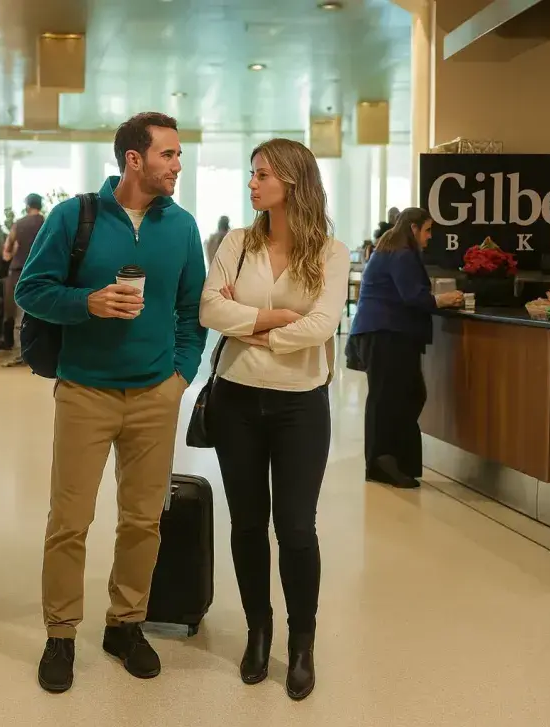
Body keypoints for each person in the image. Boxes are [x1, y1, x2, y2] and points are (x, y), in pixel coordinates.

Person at [15, 111, 207, 694]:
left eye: (178, 155)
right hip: (85, 392)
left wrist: (180, 376)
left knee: (143, 519)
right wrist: (87, 303)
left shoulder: (182, 226)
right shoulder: (74, 217)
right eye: (168, 154)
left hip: (155, 394)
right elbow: (32, 289)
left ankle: (125, 624)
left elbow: (191, 311)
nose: (178, 164)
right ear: (134, 159)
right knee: (69, 521)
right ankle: (61, 633)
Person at [199, 138, 350, 701]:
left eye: (262, 174)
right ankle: (257, 631)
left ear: (292, 180)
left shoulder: (330, 252)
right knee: (245, 523)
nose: (252, 182)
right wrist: (278, 318)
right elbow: (209, 307)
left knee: (295, 527)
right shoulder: (237, 242)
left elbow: (324, 325)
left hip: (299, 405)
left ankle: (302, 641)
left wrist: (253, 329)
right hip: (236, 398)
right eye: (251, 173)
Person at [347, 207, 463, 489]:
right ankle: (383, 462)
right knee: (390, 399)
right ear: (413, 228)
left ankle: (392, 461)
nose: (429, 237)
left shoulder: (389, 248)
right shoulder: (402, 254)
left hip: (381, 333)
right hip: (387, 334)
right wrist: (443, 299)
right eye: (427, 230)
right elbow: (413, 296)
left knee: (402, 396)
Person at [0, 193, 45, 356]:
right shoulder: (46, 223)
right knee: (40, 313)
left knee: (18, 313)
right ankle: (39, 352)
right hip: (41, 272)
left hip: (18, 272)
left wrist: (16, 250)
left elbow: (6, 253)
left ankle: (20, 353)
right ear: (40, 206)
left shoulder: (18, 225)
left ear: (27, 206)